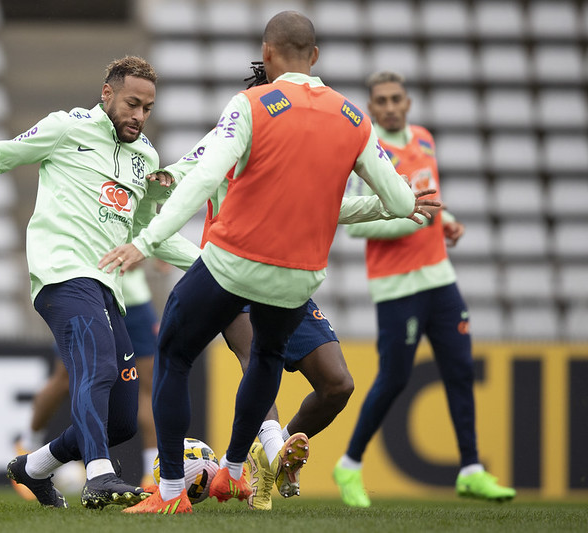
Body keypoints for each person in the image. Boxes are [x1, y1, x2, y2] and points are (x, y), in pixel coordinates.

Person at [99, 12, 420, 514]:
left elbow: (203, 177)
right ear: (315, 57)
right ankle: (234, 471)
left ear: (267, 54)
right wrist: (403, 202)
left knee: (175, 355)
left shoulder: (251, 105)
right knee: (265, 359)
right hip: (298, 275)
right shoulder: (353, 117)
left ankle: (169, 494)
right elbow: (401, 203)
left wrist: (147, 240)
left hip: (235, 262)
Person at [0, 56, 201, 510]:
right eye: (132, 104)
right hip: (62, 274)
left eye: (147, 109)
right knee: (94, 368)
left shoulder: (146, 158)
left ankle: (33, 467)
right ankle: (100, 476)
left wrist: (210, 266)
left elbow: (149, 235)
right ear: (107, 94)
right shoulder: (67, 128)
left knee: (121, 419)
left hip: (108, 288)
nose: (138, 116)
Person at [332, 71, 516, 507]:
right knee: (394, 378)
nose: (391, 106)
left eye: (397, 98)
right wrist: (416, 219)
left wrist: (446, 223)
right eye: (382, 100)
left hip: (439, 276)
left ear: (408, 103)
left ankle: (470, 468)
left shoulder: (425, 140)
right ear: (372, 108)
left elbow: (430, 198)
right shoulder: (366, 152)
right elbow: (355, 229)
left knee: (460, 369)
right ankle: (349, 465)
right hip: (396, 286)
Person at [10, 266, 163, 501]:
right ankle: (28, 444)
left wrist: (148, 251)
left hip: (132, 299)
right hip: (88, 295)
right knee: (64, 379)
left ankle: (151, 474)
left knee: (146, 385)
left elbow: (157, 240)